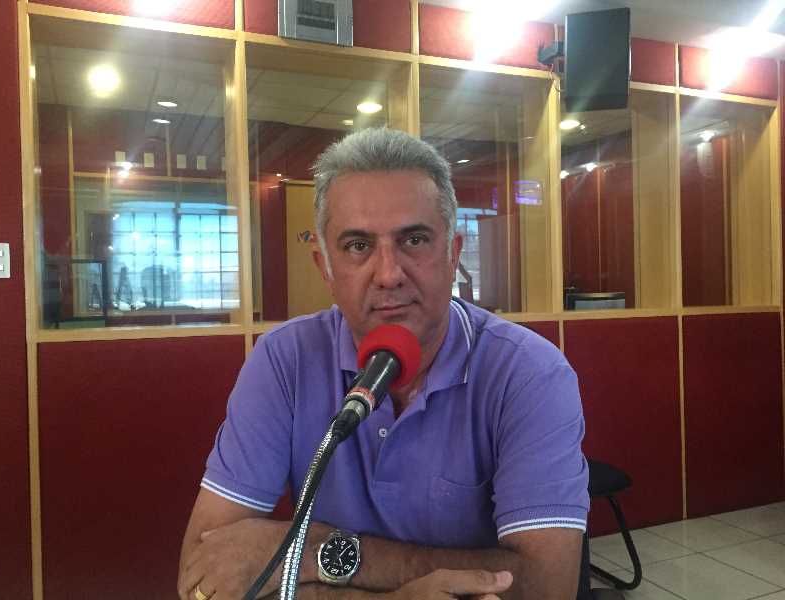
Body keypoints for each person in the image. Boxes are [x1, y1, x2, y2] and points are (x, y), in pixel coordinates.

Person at [178, 128, 589, 600]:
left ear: (453, 254)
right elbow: (202, 577)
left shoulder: (529, 373)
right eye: (358, 246)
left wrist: (313, 552)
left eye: (414, 240)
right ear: (325, 268)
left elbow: (547, 586)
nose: (389, 274)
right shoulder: (283, 360)